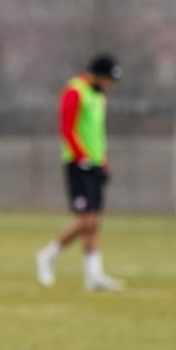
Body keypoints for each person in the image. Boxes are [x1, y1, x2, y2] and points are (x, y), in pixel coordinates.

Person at [36, 53, 124, 292]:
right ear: (98, 75)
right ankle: (48, 255)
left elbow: (97, 132)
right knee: (86, 220)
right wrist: (80, 155)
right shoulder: (75, 91)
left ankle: (93, 275)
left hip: (95, 163)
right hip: (78, 164)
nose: (111, 85)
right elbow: (67, 127)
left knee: (95, 222)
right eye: (109, 79)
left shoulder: (99, 96)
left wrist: (103, 161)